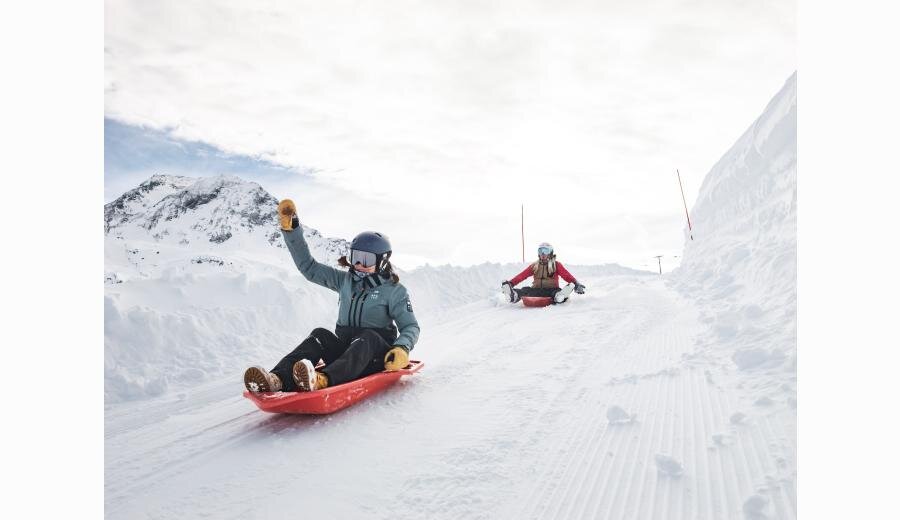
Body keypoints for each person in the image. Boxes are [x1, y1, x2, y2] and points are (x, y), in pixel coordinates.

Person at [243, 199, 420, 393]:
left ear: (383, 261)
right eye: (355, 257)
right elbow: (309, 268)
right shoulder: (345, 281)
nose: (359, 264)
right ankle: (276, 379)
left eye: (366, 259)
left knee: (368, 337)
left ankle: (323, 380)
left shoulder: (395, 291)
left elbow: (410, 326)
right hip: (346, 356)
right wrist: (292, 230)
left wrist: (402, 348)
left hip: (375, 358)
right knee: (319, 335)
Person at [501, 242, 586, 304]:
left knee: (556, 292)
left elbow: (566, 275)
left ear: (551, 253)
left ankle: (560, 296)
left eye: (545, 251)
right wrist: (511, 283)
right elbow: (522, 276)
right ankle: (513, 295)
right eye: (540, 251)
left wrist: (576, 283)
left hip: (551, 290)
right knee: (525, 290)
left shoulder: (556, 265)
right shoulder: (535, 266)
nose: (542, 254)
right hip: (536, 290)